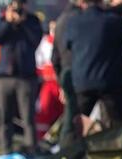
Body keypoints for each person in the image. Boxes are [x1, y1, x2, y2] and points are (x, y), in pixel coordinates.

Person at [65, 0, 122, 141]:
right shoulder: (112, 21)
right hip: (110, 83)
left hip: (82, 82)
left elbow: (68, 43)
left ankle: (70, 154)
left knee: (77, 123)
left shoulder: (73, 22)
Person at [0, 0, 43, 154]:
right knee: (5, 117)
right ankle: (6, 150)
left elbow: (35, 40)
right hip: (4, 77)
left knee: (28, 117)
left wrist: (23, 22)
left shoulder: (32, 20)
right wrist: (8, 21)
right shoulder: (2, 19)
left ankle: (31, 150)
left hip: (26, 77)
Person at [51, 0, 81, 147]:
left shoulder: (61, 21)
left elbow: (54, 57)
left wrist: (61, 82)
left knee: (70, 114)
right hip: (82, 74)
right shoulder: (80, 20)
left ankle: (67, 150)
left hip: (67, 73)